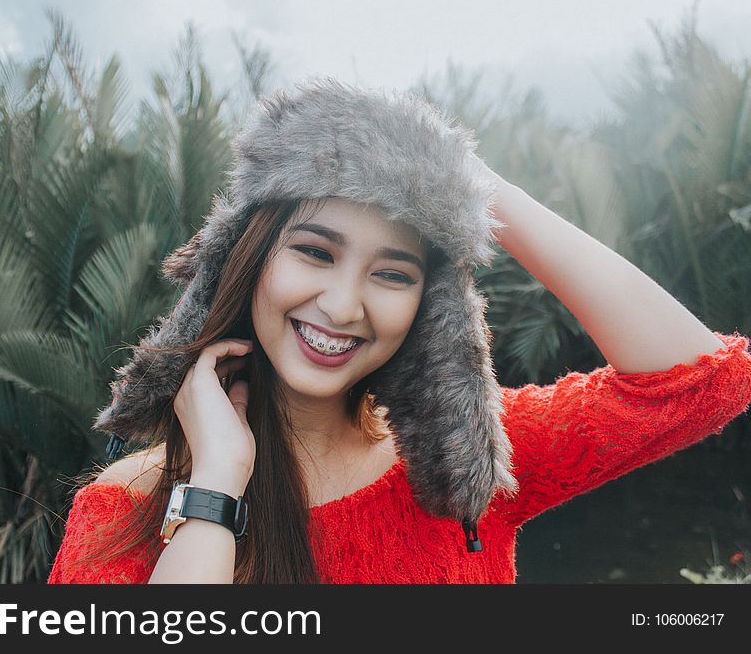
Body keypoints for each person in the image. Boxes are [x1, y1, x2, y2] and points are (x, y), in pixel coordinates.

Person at [48, 77, 751, 584]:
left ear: (430, 302)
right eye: (315, 252)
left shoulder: (467, 464)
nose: (345, 304)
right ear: (250, 256)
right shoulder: (123, 511)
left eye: (393, 272)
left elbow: (702, 381)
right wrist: (216, 484)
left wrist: (471, 184)